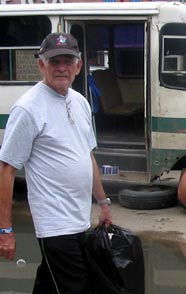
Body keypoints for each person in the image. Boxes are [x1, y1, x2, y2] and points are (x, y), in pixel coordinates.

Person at [0, 32, 113, 292]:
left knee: (52, 284)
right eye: (54, 61)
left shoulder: (81, 102)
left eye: (67, 60)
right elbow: (7, 169)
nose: (61, 67)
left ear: (78, 66)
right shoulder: (28, 108)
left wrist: (103, 202)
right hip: (54, 224)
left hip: (80, 219)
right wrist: (5, 230)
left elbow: (88, 155)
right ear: (42, 65)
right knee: (75, 286)